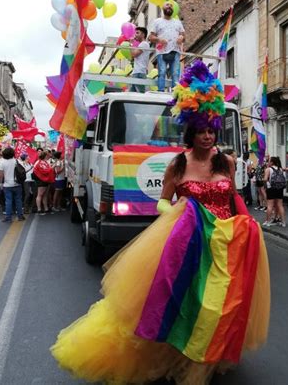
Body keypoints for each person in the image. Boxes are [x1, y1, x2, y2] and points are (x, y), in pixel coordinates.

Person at [51, 60, 270, 384]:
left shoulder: (227, 161)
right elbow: (162, 201)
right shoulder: (177, 166)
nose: (208, 137)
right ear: (191, 132)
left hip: (224, 243)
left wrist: (248, 223)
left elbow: (232, 197)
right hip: (188, 242)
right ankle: (173, 353)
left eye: (212, 130)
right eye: (201, 131)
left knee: (218, 304)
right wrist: (179, 213)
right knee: (182, 300)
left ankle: (207, 352)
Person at [149, 2, 185, 91]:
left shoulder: (178, 22)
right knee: (162, 72)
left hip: (175, 51)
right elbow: (151, 37)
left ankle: (174, 93)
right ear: (162, 7)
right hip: (161, 52)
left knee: (176, 73)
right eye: (167, 5)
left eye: (171, 5)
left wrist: (181, 37)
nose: (169, 6)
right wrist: (159, 39)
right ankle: (161, 91)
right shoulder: (157, 21)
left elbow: (184, 36)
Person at [0, 147, 25, 222]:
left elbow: (0, 175)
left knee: (8, 201)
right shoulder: (16, 161)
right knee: (18, 200)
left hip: (7, 184)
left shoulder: (2, 162)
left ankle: (8, 217)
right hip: (17, 183)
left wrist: (0, 183)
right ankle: (20, 216)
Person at [262, 156, 286, 227]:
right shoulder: (281, 169)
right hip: (280, 189)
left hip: (271, 189)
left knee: (270, 206)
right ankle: (283, 222)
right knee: (280, 205)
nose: (268, 162)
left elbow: (265, 179)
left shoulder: (268, 169)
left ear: (272, 162)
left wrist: (265, 186)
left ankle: (268, 221)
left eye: (269, 161)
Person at [130, 26, 150, 93]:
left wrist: (131, 44)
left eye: (137, 33)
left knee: (140, 94)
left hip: (139, 73)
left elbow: (134, 54)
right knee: (131, 95)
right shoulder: (141, 44)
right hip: (137, 72)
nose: (135, 35)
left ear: (143, 34)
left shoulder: (144, 44)